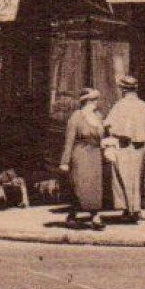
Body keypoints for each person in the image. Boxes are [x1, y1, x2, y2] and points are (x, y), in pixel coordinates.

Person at [104, 75, 145, 224]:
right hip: (141, 146)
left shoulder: (120, 105)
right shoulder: (143, 105)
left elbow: (110, 126)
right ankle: (136, 208)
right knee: (137, 177)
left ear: (122, 89)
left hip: (124, 145)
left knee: (124, 177)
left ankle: (129, 209)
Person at [59, 88, 107, 230]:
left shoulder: (98, 116)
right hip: (80, 154)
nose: (96, 102)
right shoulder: (76, 117)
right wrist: (65, 161)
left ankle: (92, 216)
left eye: (96, 99)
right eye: (93, 100)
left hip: (95, 154)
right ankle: (77, 216)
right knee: (80, 186)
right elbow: (69, 141)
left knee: (94, 187)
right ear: (85, 101)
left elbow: (102, 135)